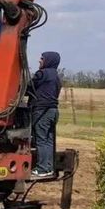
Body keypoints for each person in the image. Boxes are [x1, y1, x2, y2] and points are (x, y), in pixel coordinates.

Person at [28, 51, 61, 179]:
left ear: (48, 60)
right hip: (53, 111)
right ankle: (48, 168)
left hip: (42, 111)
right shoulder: (56, 76)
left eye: (42, 58)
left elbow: (29, 86)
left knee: (41, 140)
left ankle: (41, 169)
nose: (39, 61)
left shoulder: (42, 74)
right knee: (48, 140)